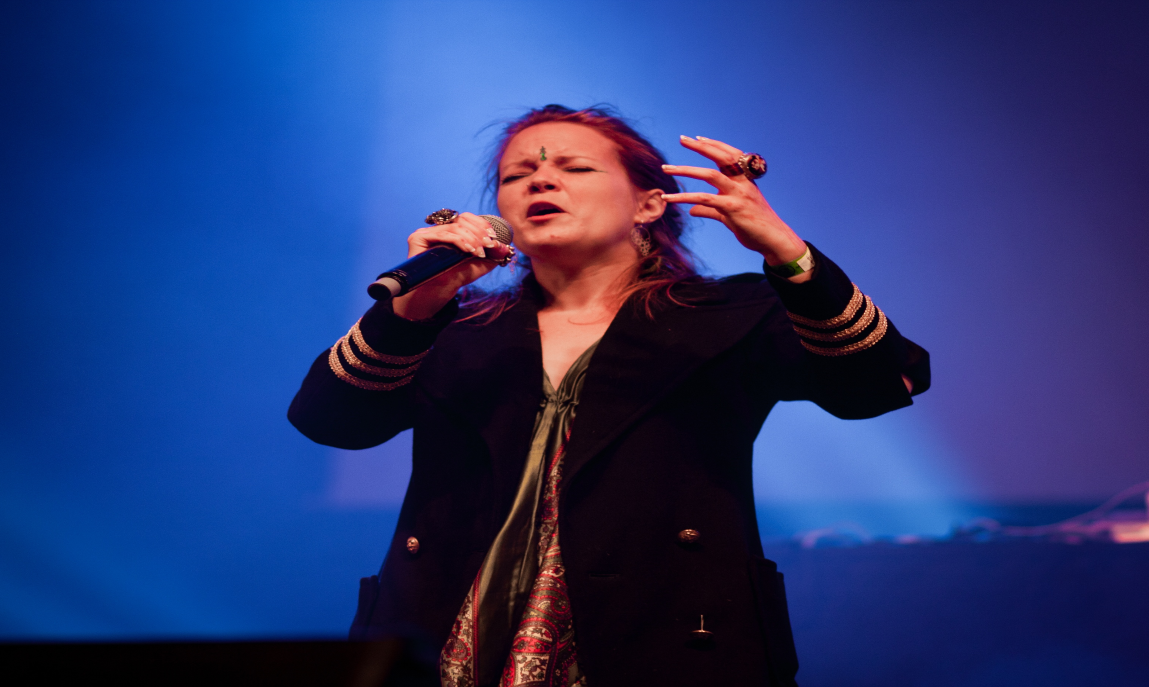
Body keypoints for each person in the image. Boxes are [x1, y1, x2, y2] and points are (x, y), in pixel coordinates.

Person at [288, 105, 929, 687]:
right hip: (449, 631)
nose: (540, 180)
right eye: (516, 176)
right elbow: (332, 421)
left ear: (648, 205)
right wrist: (411, 311)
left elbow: (876, 384)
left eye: (574, 167)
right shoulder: (457, 327)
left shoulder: (727, 315)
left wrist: (789, 255)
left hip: (662, 636)